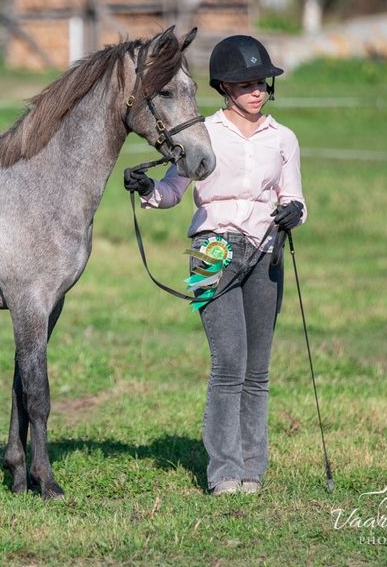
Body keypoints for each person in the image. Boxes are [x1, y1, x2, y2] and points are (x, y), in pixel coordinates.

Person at [124, 34, 306, 496]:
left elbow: (294, 198)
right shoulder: (203, 134)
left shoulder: (283, 139)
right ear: (224, 86)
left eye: (261, 82)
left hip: (265, 250)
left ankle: (253, 470)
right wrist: (146, 188)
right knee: (228, 362)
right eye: (246, 83)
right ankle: (225, 472)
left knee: (257, 369)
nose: (257, 90)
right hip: (211, 251)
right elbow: (171, 193)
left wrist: (294, 213)